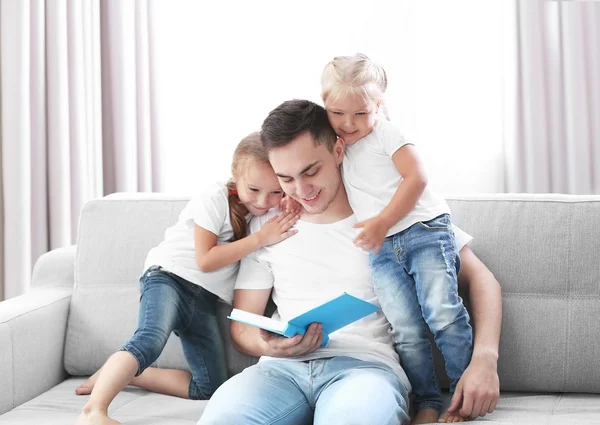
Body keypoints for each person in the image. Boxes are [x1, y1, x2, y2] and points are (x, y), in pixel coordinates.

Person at [198, 100, 501, 425]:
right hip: (279, 371)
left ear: (338, 150)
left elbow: (481, 279)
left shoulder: (390, 212)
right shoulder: (268, 227)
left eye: (311, 171)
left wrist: (484, 359)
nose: (301, 190)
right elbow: (242, 327)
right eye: (286, 179)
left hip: (366, 368)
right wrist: (271, 347)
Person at [74, 132, 300, 425]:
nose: (262, 200)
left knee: (209, 386)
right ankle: (93, 411)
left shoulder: (262, 214)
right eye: (254, 189)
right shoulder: (215, 197)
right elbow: (205, 260)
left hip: (203, 299)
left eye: (275, 192)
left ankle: (120, 373)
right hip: (168, 279)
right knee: (149, 341)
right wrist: (260, 238)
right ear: (235, 176)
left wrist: (288, 203)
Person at [320, 53, 472, 423]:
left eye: (360, 113)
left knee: (443, 313)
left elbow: (416, 178)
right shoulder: (337, 145)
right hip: (383, 249)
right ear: (325, 105)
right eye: (338, 113)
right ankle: (427, 400)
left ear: (379, 105)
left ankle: (463, 389)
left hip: (424, 231)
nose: (349, 123)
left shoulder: (388, 132)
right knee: (404, 327)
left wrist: (381, 221)